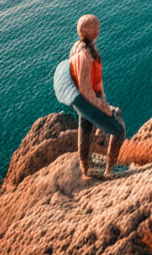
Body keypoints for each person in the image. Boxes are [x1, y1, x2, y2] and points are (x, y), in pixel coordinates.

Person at [53, 14, 126, 178]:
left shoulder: (77, 46)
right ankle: (109, 170)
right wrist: (102, 105)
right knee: (119, 130)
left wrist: (101, 97)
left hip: (81, 99)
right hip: (86, 100)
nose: (99, 30)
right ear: (94, 32)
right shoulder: (85, 54)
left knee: (86, 128)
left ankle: (85, 169)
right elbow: (86, 89)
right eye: (97, 27)